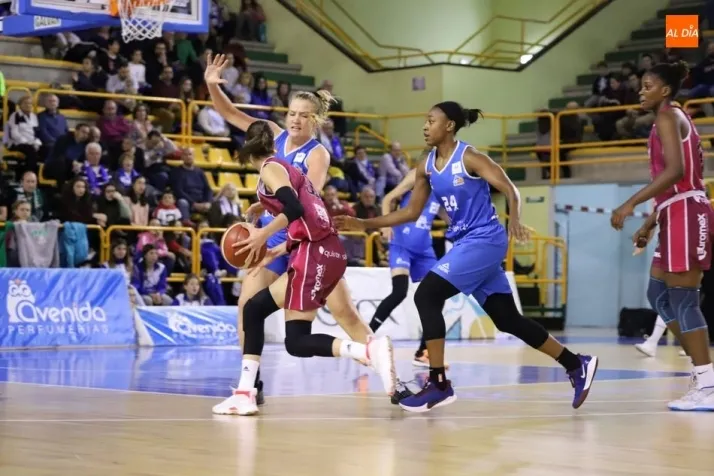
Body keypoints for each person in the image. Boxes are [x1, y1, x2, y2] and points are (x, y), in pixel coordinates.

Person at [336, 101, 599, 413]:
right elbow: (411, 212)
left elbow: (510, 189)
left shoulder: (469, 157)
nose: (425, 126)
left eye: (431, 120)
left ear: (449, 126)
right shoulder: (427, 164)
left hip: (485, 239)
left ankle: (438, 383)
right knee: (507, 319)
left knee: (427, 295)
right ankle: (576, 363)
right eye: (425, 120)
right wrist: (363, 224)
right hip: (466, 243)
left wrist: (514, 219)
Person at [203, 53, 412, 405]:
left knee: (345, 313)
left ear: (315, 121)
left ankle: (395, 382)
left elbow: (301, 204)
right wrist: (212, 85)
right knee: (247, 307)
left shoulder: (318, 155)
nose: (295, 120)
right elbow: (230, 114)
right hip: (274, 237)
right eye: (292, 113)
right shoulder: (272, 136)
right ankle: (252, 384)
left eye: (303, 115)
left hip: (304, 240)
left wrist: (268, 221)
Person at [211, 121, 397, 416]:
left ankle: (247, 392)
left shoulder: (271, 169)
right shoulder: (285, 170)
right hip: (320, 248)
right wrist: (278, 244)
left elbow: (295, 209)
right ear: (274, 145)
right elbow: (306, 215)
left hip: (315, 253)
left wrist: (262, 234)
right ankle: (247, 392)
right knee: (283, 331)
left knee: (264, 317)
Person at [612, 61, 714, 411]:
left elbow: (676, 172)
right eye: (641, 85)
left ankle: (708, 383)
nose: (641, 91)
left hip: (687, 212)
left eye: (648, 85)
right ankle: (702, 373)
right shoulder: (667, 118)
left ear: (665, 90)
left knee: (684, 300)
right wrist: (650, 222)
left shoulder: (669, 116)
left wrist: (630, 203)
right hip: (674, 211)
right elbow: (675, 182)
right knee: (658, 294)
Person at [370, 162, 448, 367]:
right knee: (399, 292)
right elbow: (388, 198)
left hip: (424, 250)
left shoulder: (444, 184)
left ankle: (423, 352)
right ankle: (365, 337)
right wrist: (386, 224)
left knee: (437, 295)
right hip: (402, 243)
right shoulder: (417, 176)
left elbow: (443, 213)